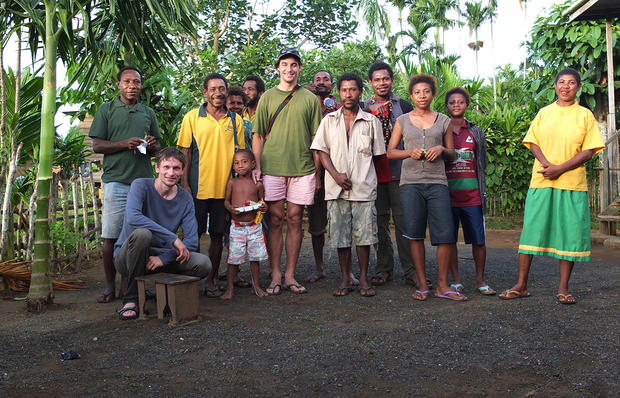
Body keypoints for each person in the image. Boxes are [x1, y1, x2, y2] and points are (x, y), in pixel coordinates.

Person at [500, 68, 604, 305]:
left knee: (569, 235)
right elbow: (532, 141)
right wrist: (548, 165)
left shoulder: (585, 115)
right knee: (531, 232)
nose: (565, 86)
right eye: (561, 82)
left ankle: (564, 288)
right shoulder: (544, 113)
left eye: (571, 83)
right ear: (555, 86)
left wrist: (561, 168)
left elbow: (588, 151)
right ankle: (521, 285)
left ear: (578, 87)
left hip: (572, 184)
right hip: (542, 179)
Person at [387, 74, 465, 302]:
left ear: (433, 94)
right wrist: (408, 152)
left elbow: (452, 153)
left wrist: (441, 149)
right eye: (417, 92)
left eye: (426, 91)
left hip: (437, 182)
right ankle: (422, 283)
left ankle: (442, 285)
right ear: (411, 96)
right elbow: (391, 152)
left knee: (445, 235)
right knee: (415, 234)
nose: (422, 96)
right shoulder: (402, 120)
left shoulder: (443, 120)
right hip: (410, 183)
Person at [252, 48, 322, 295]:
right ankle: (275, 274)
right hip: (272, 167)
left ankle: (290, 275)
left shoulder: (310, 99)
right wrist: (257, 167)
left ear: (299, 68)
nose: (289, 69)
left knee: (294, 219)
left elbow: (316, 138)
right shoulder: (268, 97)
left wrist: (318, 173)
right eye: (284, 64)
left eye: (294, 65)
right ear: (278, 68)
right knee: (274, 219)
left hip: (303, 168)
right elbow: (258, 135)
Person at [89, 66, 161, 304]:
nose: (132, 86)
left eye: (137, 82)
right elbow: (97, 146)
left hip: (143, 182)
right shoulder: (106, 110)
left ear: (141, 85)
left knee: (143, 236)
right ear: (119, 84)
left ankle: (131, 286)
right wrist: (123, 144)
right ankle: (110, 286)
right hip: (115, 182)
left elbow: (158, 148)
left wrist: (152, 146)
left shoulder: (147, 112)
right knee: (112, 235)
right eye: (127, 82)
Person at [114, 148, 211, 320]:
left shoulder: (185, 198)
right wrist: (173, 238)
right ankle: (131, 298)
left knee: (203, 263)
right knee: (143, 234)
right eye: (166, 167)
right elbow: (132, 217)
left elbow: (192, 241)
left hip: (158, 257)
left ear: (182, 171)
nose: (171, 173)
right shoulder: (140, 185)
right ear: (157, 168)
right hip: (128, 256)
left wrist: (163, 258)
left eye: (176, 168)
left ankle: (165, 291)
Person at [311, 72, 385, 297]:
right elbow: (321, 150)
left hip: (363, 188)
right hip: (336, 188)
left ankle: (362, 279)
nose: (349, 94)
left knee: (364, 237)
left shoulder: (372, 122)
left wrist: (360, 173)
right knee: (341, 236)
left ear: (360, 92)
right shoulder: (329, 120)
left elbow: (378, 155)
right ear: (339, 92)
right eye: (344, 90)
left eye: (353, 89)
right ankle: (345, 278)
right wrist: (334, 175)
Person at [177, 73, 246, 298]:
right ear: (205, 93)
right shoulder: (191, 118)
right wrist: (184, 183)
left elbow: (241, 156)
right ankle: (190, 281)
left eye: (222, 88)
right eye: (213, 89)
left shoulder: (235, 121)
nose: (218, 92)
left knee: (218, 236)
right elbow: (185, 152)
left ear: (226, 91)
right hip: (197, 188)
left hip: (224, 190)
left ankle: (212, 279)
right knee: (193, 236)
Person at [362, 61, 416, 287]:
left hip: (401, 174)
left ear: (392, 80)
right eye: (377, 79)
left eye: (385, 78)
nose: (381, 83)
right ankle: (384, 269)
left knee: (405, 223)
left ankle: (412, 271)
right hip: (372, 174)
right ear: (370, 83)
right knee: (379, 224)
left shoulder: (403, 105)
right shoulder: (362, 107)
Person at [304, 70, 358, 285]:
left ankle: (349, 272)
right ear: (312, 83)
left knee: (345, 222)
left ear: (332, 84)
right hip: (312, 169)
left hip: (339, 170)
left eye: (326, 79)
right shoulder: (306, 103)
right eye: (317, 79)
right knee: (316, 223)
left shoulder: (339, 107)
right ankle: (319, 268)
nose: (321, 82)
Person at [444, 87, 495, 295]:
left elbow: (481, 162)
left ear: (467, 104)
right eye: (452, 102)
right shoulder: (441, 129)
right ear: (446, 106)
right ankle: (456, 280)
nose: (456, 105)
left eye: (461, 102)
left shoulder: (475, 131)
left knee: (479, 240)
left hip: (472, 196)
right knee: (450, 239)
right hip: (447, 196)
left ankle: (480, 280)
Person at [221, 150, 269, 300]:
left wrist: (264, 208)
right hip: (237, 226)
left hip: (254, 226)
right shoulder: (232, 182)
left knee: (255, 258)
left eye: (244, 162)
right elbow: (226, 201)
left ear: (253, 164)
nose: (240, 165)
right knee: (233, 258)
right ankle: (230, 288)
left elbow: (262, 203)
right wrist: (230, 208)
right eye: (236, 163)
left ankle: (256, 285)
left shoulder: (257, 185)